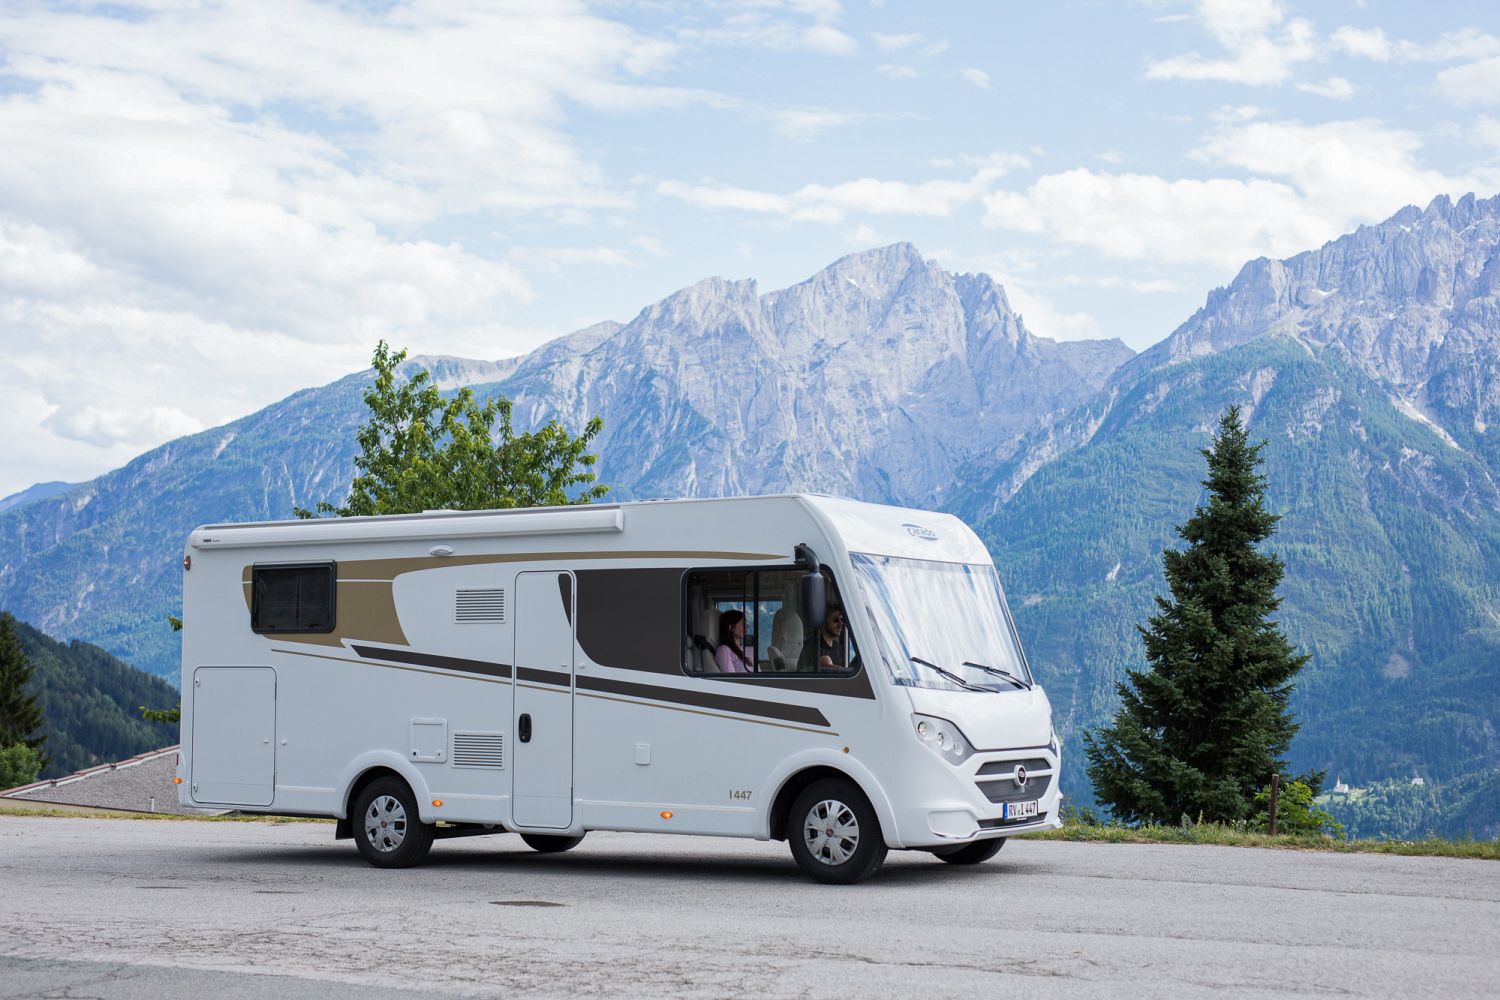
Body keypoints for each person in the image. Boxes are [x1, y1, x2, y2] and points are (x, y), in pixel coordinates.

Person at [799, 604, 848, 672]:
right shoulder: (812, 646)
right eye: (836, 620)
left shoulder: (838, 647)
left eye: (842, 620)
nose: (841, 624)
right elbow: (826, 665)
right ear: (824, 622)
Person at [715, 609, 756, 673]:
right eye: (743, 623)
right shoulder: (724, 650)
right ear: (731, 628)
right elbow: (732, 678)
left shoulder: (745, 649)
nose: (747, 626)